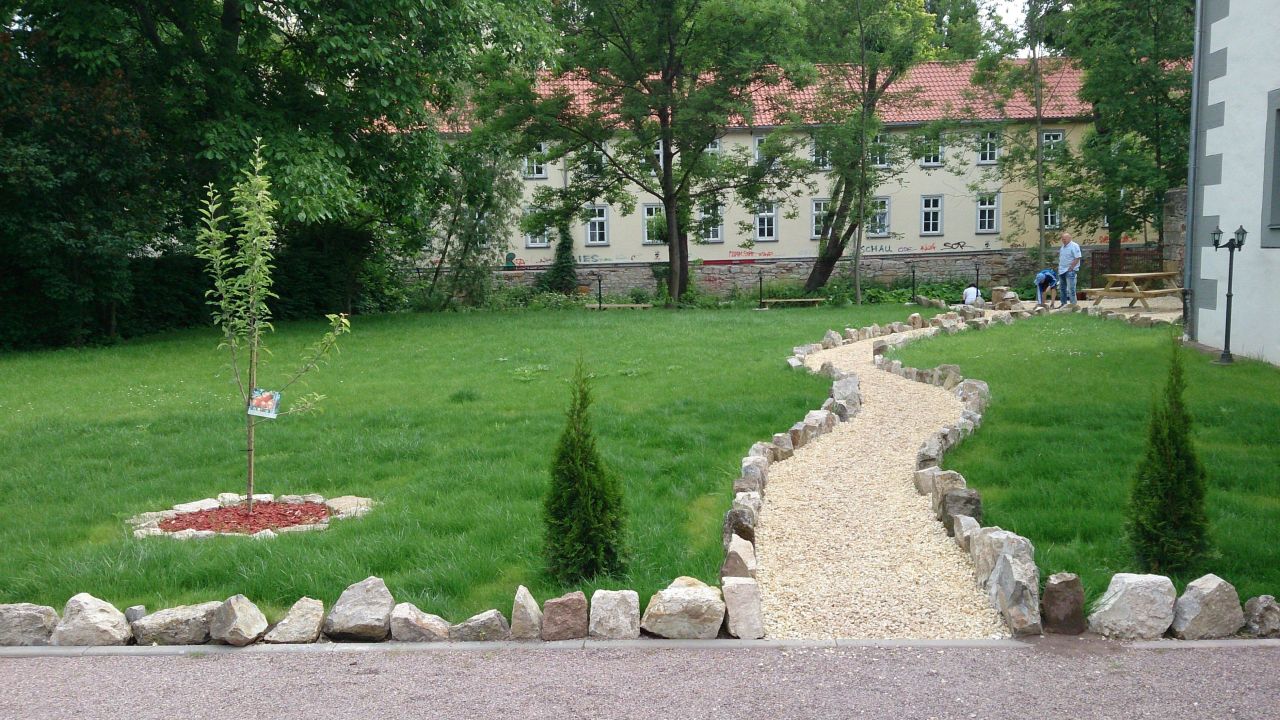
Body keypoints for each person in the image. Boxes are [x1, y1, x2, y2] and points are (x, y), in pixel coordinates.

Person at [1057, 232, 1082, 306]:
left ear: (1069, 238)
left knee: (1071, 289)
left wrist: (1071, 267)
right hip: (1062, 270)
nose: (1063, 240)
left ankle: (1073, 305)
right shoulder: (1063, 247)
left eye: (1064, 239)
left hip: (1070, 270)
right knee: (1062, 289)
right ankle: (1063, 304)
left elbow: (1077, 257)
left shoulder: (1074, 246)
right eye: (1062, 239)